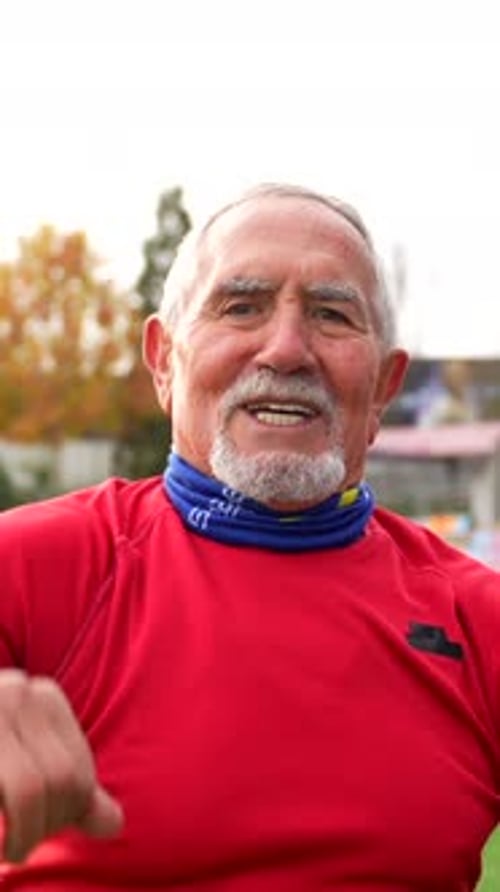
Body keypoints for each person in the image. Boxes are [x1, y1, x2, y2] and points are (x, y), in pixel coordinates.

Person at [0, 183, 499, 892]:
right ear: (162, 360)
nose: (287, 349)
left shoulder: (479, 619)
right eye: (242, 306)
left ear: (385, 386)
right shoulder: (31, 568)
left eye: (331, 315)